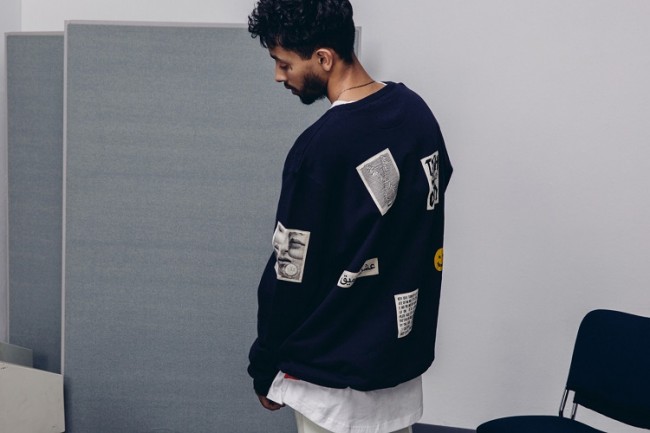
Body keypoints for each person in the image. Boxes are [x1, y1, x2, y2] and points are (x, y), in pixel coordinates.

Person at [246, 1, 453, 432]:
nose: (279, 76)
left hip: (330, 386)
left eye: (284, 63)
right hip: (397, 370)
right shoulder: (417, 114)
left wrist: (264, 363)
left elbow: (290, 270)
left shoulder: (321, 148)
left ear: (324, 58)